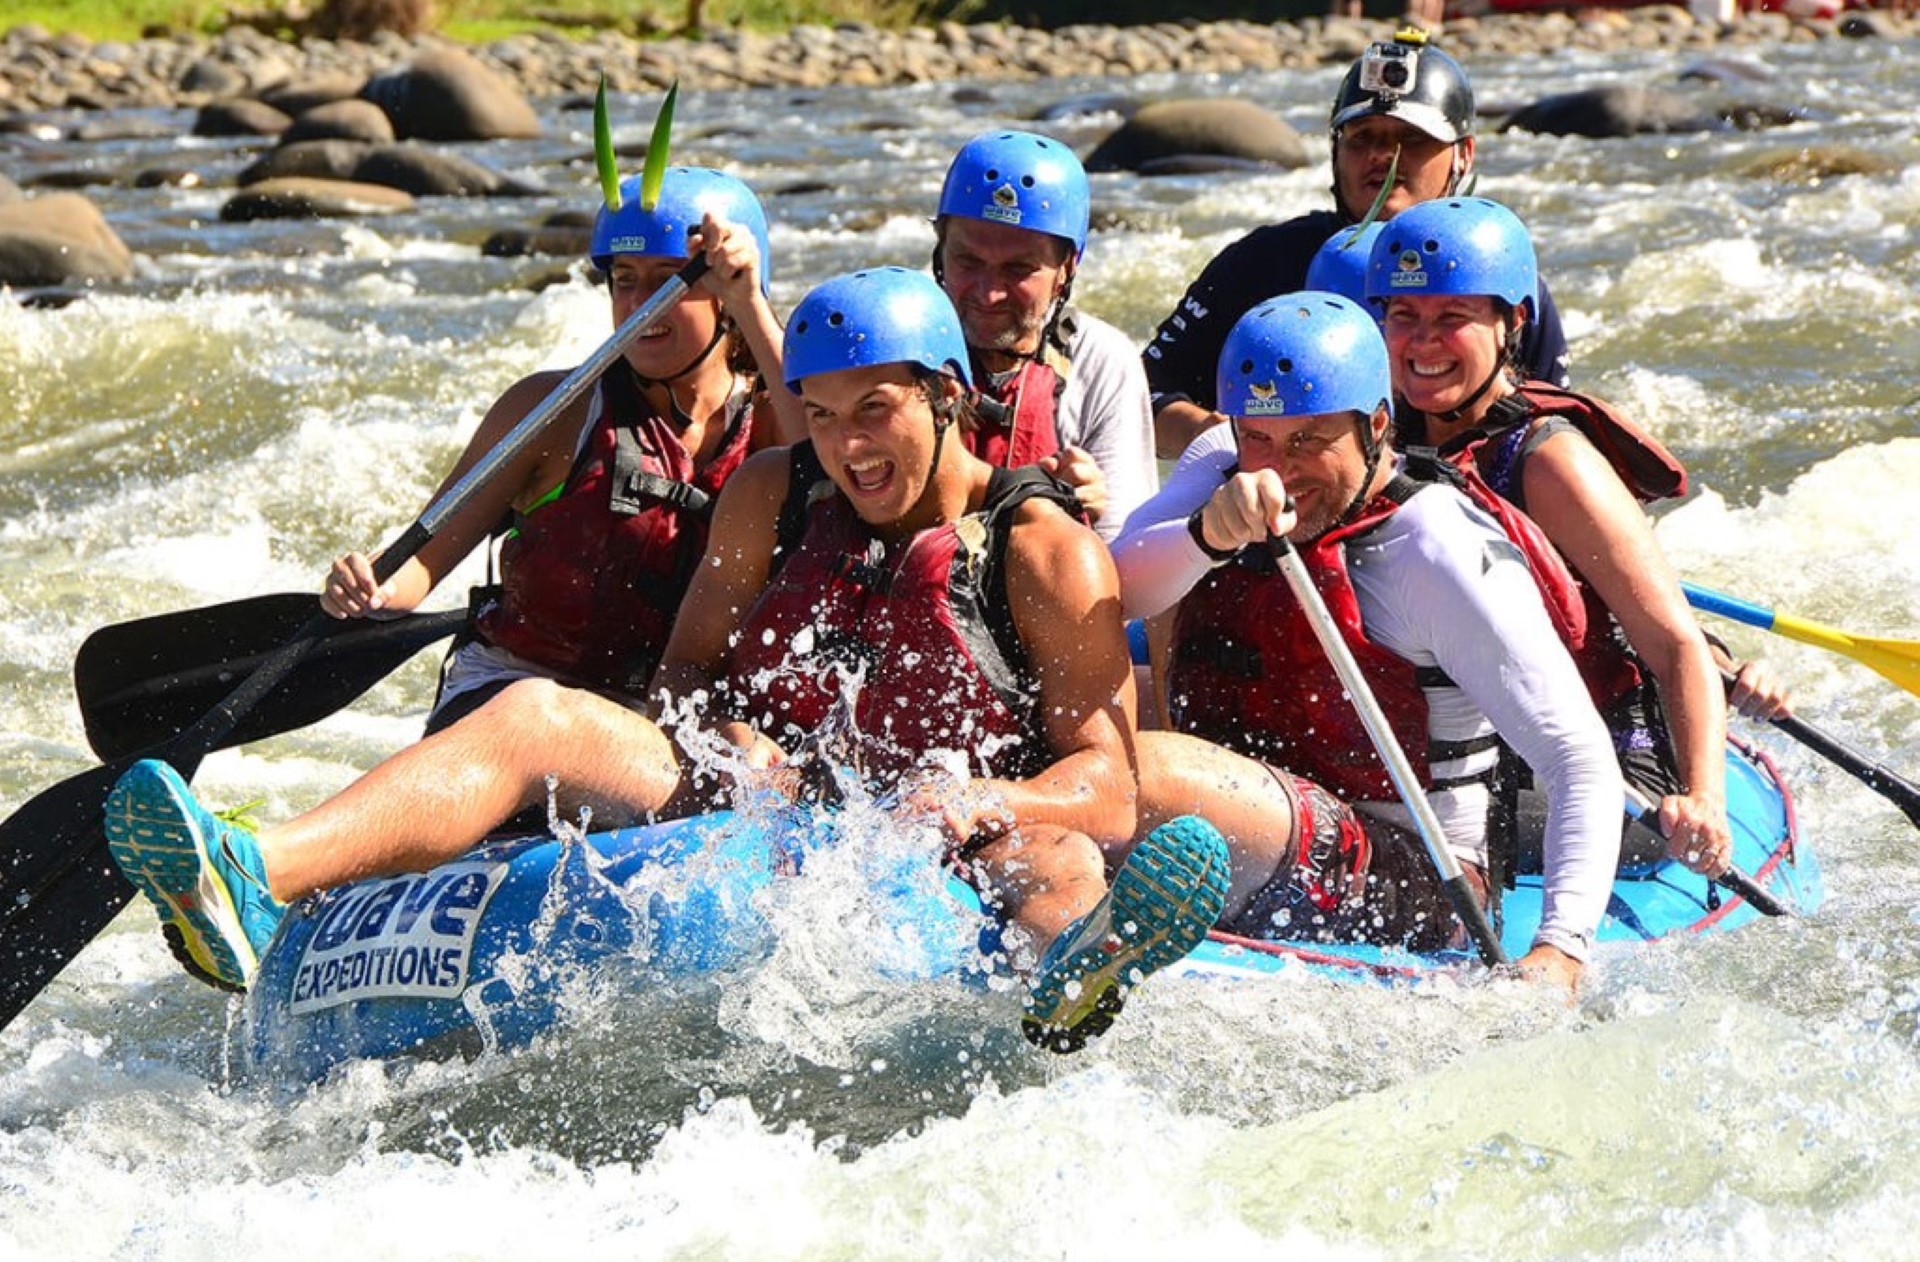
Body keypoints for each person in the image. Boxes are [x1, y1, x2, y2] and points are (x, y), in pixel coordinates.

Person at [103, 267, 1229, 1053]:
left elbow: (1110, 782)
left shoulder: (1043, 549)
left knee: (1060, 859)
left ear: (945, 395)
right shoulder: (768, 493)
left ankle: (1078, 973)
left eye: (874, 411)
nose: (845, 448)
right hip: (771, 790)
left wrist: (980, 795)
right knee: (539, 708)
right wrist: (727, 735)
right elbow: (686, 670)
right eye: (825, 415)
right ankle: (255, 875)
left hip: (957, 817)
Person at [1114, 291, 1622, 987]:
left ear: (1376, 424)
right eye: (1257, 439)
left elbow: (1578, 754)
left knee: (1150, 770)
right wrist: (1207, 535)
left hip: (1417, 879)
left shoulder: (1435, 544)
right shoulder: (1222, 460)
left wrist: (1561, 949)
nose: (1275, 469)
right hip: (1254, 812)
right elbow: (1108, 591)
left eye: (1308, 441)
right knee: (1080, 707)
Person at [1365, 196, 1789, 868]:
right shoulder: (1377, 438)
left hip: (1618, 764)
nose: (1422, 343)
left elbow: (1675, 643)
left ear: (1513, 322)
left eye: (1453, 319)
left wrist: (1705, 798)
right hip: (1479, 737)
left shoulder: (1549, 462)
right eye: (1403, 317)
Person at [323, 166, 798, 734]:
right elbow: (418, 567)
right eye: (625, 279)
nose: (641, 305)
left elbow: (824, 464)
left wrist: (748, 299)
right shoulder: (553, 408)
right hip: (514, 696)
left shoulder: (778, 417)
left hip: (671, 720)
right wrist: (369, 587)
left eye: (671, 281)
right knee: (539, 716)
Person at [1141, 28, 1572, 461]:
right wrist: (1219, 438)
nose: (1383, 157)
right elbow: (1144, 393)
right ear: (1336, 150)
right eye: (1361, 137)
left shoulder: (1503, 280)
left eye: (1412, 138)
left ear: (1463, 154)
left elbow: (1552, 426)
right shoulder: (1261, 263)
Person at [771, 130, 1159, 542]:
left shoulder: (1102, 360)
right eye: (968, 261)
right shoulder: (886, 335)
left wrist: (1091, 524)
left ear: (1067, 266)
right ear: (939, 252)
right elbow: (812, 434)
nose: (988, 293)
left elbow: (1130, 570)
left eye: (1018, 269)